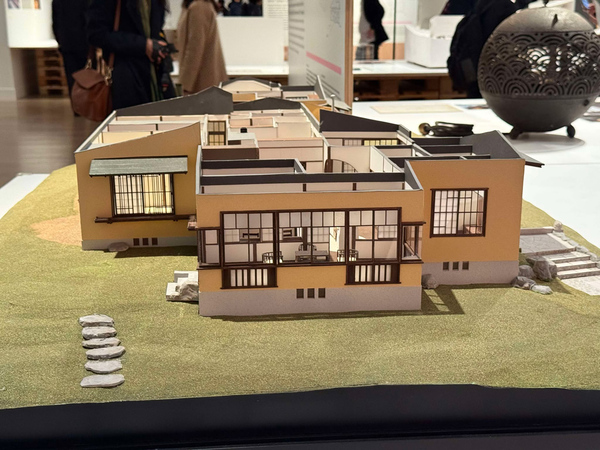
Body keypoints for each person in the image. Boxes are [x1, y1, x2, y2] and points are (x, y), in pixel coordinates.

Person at [87, 0, 175, 110]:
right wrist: (143, 45)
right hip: (127, 79)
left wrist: (160, 45)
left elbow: (154, 28)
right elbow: (96, 34)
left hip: (156, 77)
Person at [177, 0, 228, 94]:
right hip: (202, 81)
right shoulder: (196, 5)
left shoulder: (199, 7)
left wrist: (185, 84)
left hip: (201, 82)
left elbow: (194, 49)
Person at [51, 0, 90, 99]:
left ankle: (76, 103)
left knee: (71, 78)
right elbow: (87, 19)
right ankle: (88, 102)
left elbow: (55, 23)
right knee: (87, 77)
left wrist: (60, 41)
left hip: (67, 43)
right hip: (83, 43)